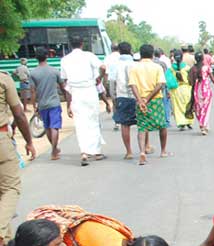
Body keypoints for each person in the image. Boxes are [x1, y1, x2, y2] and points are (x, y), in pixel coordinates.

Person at [0, 71, 35, 246]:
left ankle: (5, 240)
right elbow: (19, 114)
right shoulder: (3, 79)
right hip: (1, 140)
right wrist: (29, 141)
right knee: (11, 188)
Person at [60, 35, 105, 166]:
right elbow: (102, 67)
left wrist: (68, 105)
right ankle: (96, 152)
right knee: (93, 121)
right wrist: (99, 78)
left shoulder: (65, 60)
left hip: (76, 93)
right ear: (82, 44)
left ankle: (84, 152)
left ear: (70, 45)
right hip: (89, 90)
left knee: (80, 123)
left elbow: (65, 82)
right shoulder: (89, 56)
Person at [128, 44, 169, 166]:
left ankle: (142, 152)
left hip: (141, 101)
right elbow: (160, 84)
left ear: (140, 54)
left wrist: (140, 100)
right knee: (162, 125)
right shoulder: (157, 67)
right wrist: (148, 99)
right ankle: (163, 151)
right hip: (155, 100)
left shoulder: (135, 68)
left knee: (142, 127)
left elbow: (133, 85)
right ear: (152, 54)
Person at [29, 47, 71, 161]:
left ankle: (55, 148)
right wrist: (68, 102)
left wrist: (34, 106)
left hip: (42, 105)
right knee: (55, 127)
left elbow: (32, 91)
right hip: (54, 103)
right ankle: (54, 151)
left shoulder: (33, 73)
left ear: (36, 58)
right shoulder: (54, 71)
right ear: (47, 56)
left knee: (47, 127)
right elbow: (63, 88)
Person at [109, 42, 136, 160]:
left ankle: (129, 151)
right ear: (130, 50)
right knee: (142, 124)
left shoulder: (115, 65)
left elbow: (112, 83)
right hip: (137, 96)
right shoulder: (135, 64)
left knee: (125, 125)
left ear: (119, 51)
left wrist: (113, 98)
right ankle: (145, 147)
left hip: (122, 96)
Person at [190, 51, 214, 136]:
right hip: (206, 90)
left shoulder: (193, 68)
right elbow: (212, 77)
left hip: (197, 90)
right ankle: (203, 125)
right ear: (203, 59)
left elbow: (190, 80)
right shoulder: (206, 67)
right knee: (205, 108)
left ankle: (203, 123)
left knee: (198, 108)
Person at [169, 51, 193, 130]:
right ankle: (188, 122)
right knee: (187, 105)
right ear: (182, 57)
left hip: (176, 90)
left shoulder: (171, 68)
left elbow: (168, 80)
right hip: (187, 88)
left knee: (178, 107)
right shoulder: (187, 67)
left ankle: (181, 123)